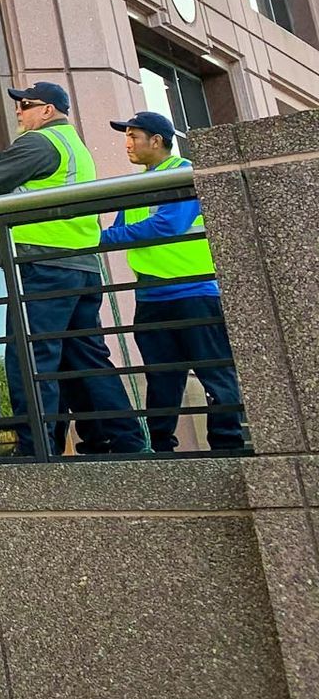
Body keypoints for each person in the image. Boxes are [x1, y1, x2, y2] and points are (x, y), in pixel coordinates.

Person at [0, 81, 144, 456]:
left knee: (30, 358)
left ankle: (36, 450)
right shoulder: (74, 147)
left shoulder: (39, 143)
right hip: (80, 269)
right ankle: (121, 440)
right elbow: (14, 204)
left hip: (44, 267)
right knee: (84, 359)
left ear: (48, 110)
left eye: (26, 104)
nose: (18, 110)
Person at [98, 110, 247, 453]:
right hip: (152, 297)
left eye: (133, 136)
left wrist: (101, 239)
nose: (127, 143)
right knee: (161, 378)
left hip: (194, 293)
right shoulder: (136, 184)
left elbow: (167, 225)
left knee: (215, 374)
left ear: (156, 141)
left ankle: (228, 445)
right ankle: (161, 447)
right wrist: (102, 237)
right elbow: (122, 228)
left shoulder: (182, 172)